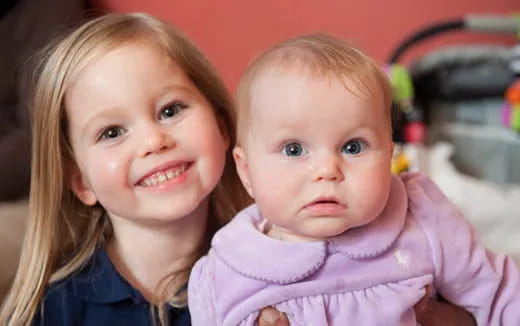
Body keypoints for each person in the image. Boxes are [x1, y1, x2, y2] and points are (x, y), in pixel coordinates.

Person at [188, 33, 520, 325]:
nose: (327, 170)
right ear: (247, 172)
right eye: (293, 149)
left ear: (389, 156)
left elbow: (499, 297)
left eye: (352, 146)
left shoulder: (421, 218)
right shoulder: (226, 271)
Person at [0, 12, 301, 326]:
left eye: (170, 110)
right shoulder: (56, 309)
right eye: (112, 132)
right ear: (81, 182)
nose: (154, 141)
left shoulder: (278, 276)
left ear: (221, 126)